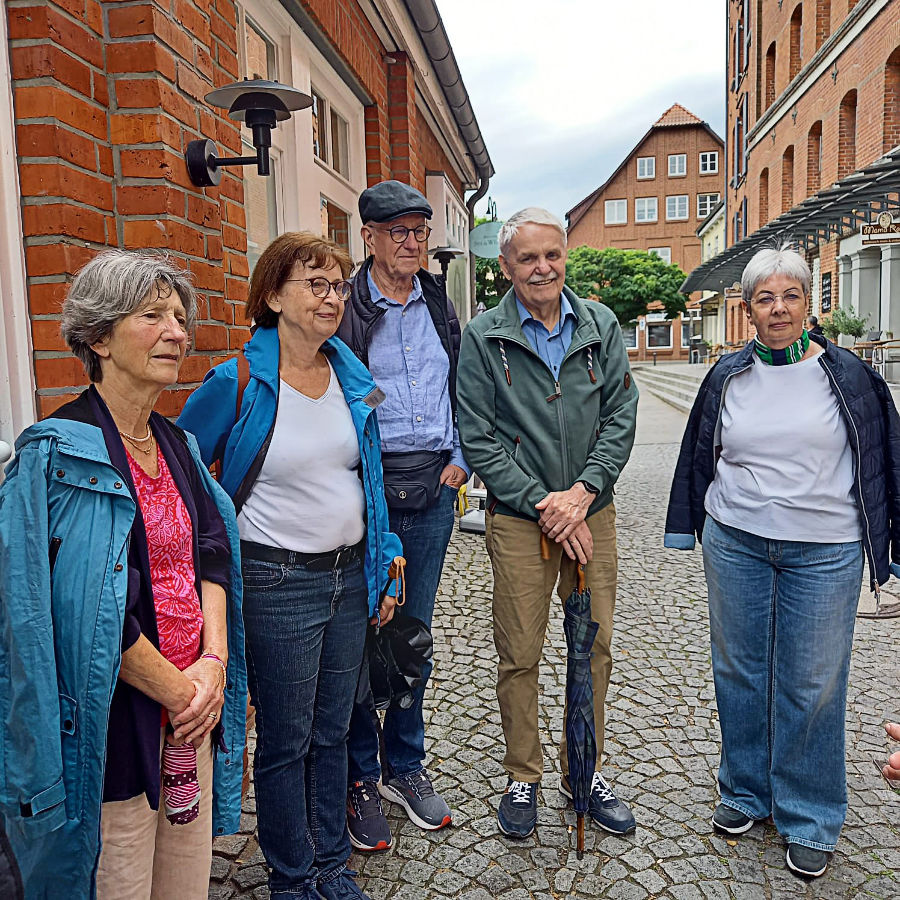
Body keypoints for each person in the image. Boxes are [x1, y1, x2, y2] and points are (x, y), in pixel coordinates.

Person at [0, 249, 246, 899]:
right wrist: (181, 693)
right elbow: (83, 610)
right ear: (99, 337)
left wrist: (214, 663)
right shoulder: (56, 457)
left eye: (179, 317)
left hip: (190, 717)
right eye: (152, 316)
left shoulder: (177, 443)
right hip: (115, 731)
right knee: (120, 880)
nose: (176, 332)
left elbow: (212, 551)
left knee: (186, 883)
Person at [178, 232, 403, 900]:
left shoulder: (351, 377)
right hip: (276, 582)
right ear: (274, 296)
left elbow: (367, 478)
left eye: (339, 285)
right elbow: (183, 474)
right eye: (316, 284)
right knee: (286, 740)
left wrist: (384, 556)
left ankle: (332, 863)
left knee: (334, 732)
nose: (332, 298)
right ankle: (292, 875)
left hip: (348, 577)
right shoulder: (238, 382)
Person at [664, 245, 900, 879]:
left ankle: (810, 813)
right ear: (747, 310)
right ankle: (745, 790)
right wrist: (689, 525)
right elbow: (699, 452)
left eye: (789, 295)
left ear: (808, 302)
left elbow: (886, 457)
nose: (778, 308)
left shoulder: (850, 375)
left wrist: (891, 544)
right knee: (739, 669)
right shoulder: (727, 375)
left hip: (826, 548)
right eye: (764, 298)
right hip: (737, 540)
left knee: (812, 682)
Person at [456, 207, 639, 839]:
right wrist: (546, 503)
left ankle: (583, 770)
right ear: (506, 266)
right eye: (528, 258)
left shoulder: (599, 324)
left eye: (552, 255)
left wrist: (583, 494)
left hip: (594, 512)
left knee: (595, 647)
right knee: (520, 651)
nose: (542, 268)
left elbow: (620, 415)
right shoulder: (484, 336)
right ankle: (523, 774)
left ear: (565, 257)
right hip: (519, 520)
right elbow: (479, 438)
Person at [337, 181, 466, 849]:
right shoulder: (346, 306)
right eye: (398, 232)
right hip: (370, 492)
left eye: (419, 230)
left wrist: (461, 457)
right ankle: (361, 775)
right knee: (365, 632)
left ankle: (405, 765)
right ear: (369, 237)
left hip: (434, 489)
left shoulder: (437, 300)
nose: (412, 242)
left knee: (414, 634)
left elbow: (463, 383)